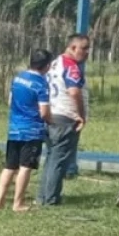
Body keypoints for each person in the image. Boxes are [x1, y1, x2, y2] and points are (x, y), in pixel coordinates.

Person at [0, 50, 53, 212]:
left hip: (14, 129)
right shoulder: (41, 84)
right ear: (47, 66)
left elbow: (10, 101)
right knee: (25, 167)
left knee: (9, 167)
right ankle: (18, 203)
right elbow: (44, 112)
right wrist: (51, 121)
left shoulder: (18, 78)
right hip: (32, 131)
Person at [36, 35, 90, 206]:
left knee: (51, 157)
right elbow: (74, 91)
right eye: (84, 48)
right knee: (59, 160)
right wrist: (81, 114)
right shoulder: (71, 66)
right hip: (65, 116)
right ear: (73, 47)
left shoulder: (53, 64)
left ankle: (42, 196)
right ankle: (51, 199)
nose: (87, 52)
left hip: (51, 113)